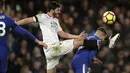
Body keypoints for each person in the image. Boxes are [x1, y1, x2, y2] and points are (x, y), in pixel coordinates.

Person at [16, 1, 118, 73]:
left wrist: (77, 36)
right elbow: (27, 20)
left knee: (78, 41)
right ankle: (108, 42)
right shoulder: (42, 16)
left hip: (50, 52)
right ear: (51, 10)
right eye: (57, 10)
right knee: (80, 42)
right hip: (53, 47)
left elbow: (63, 35)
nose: (59, 12)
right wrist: (15, 23)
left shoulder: (55, 21)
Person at [0, 1, 47, 73]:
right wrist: (37, 40)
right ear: (2, 9)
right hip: (3, 50)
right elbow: (24, 32)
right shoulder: (7, 20)